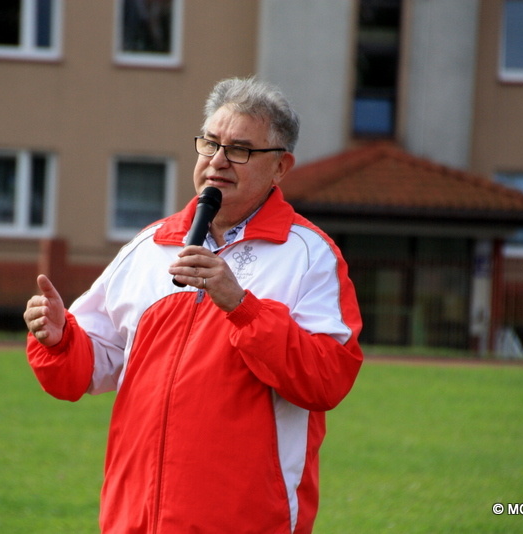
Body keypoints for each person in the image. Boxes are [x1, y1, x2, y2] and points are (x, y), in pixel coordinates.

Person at [23, 76, 363, 533]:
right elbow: (87, 370)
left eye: (240, 149)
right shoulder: (150, 246)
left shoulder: (310, 256)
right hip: (135, 519)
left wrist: (241, 307)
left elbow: (326, 379)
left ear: (281, 167)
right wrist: (61, 338)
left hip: (244, 521)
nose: (218, 161)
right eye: (210, 143)